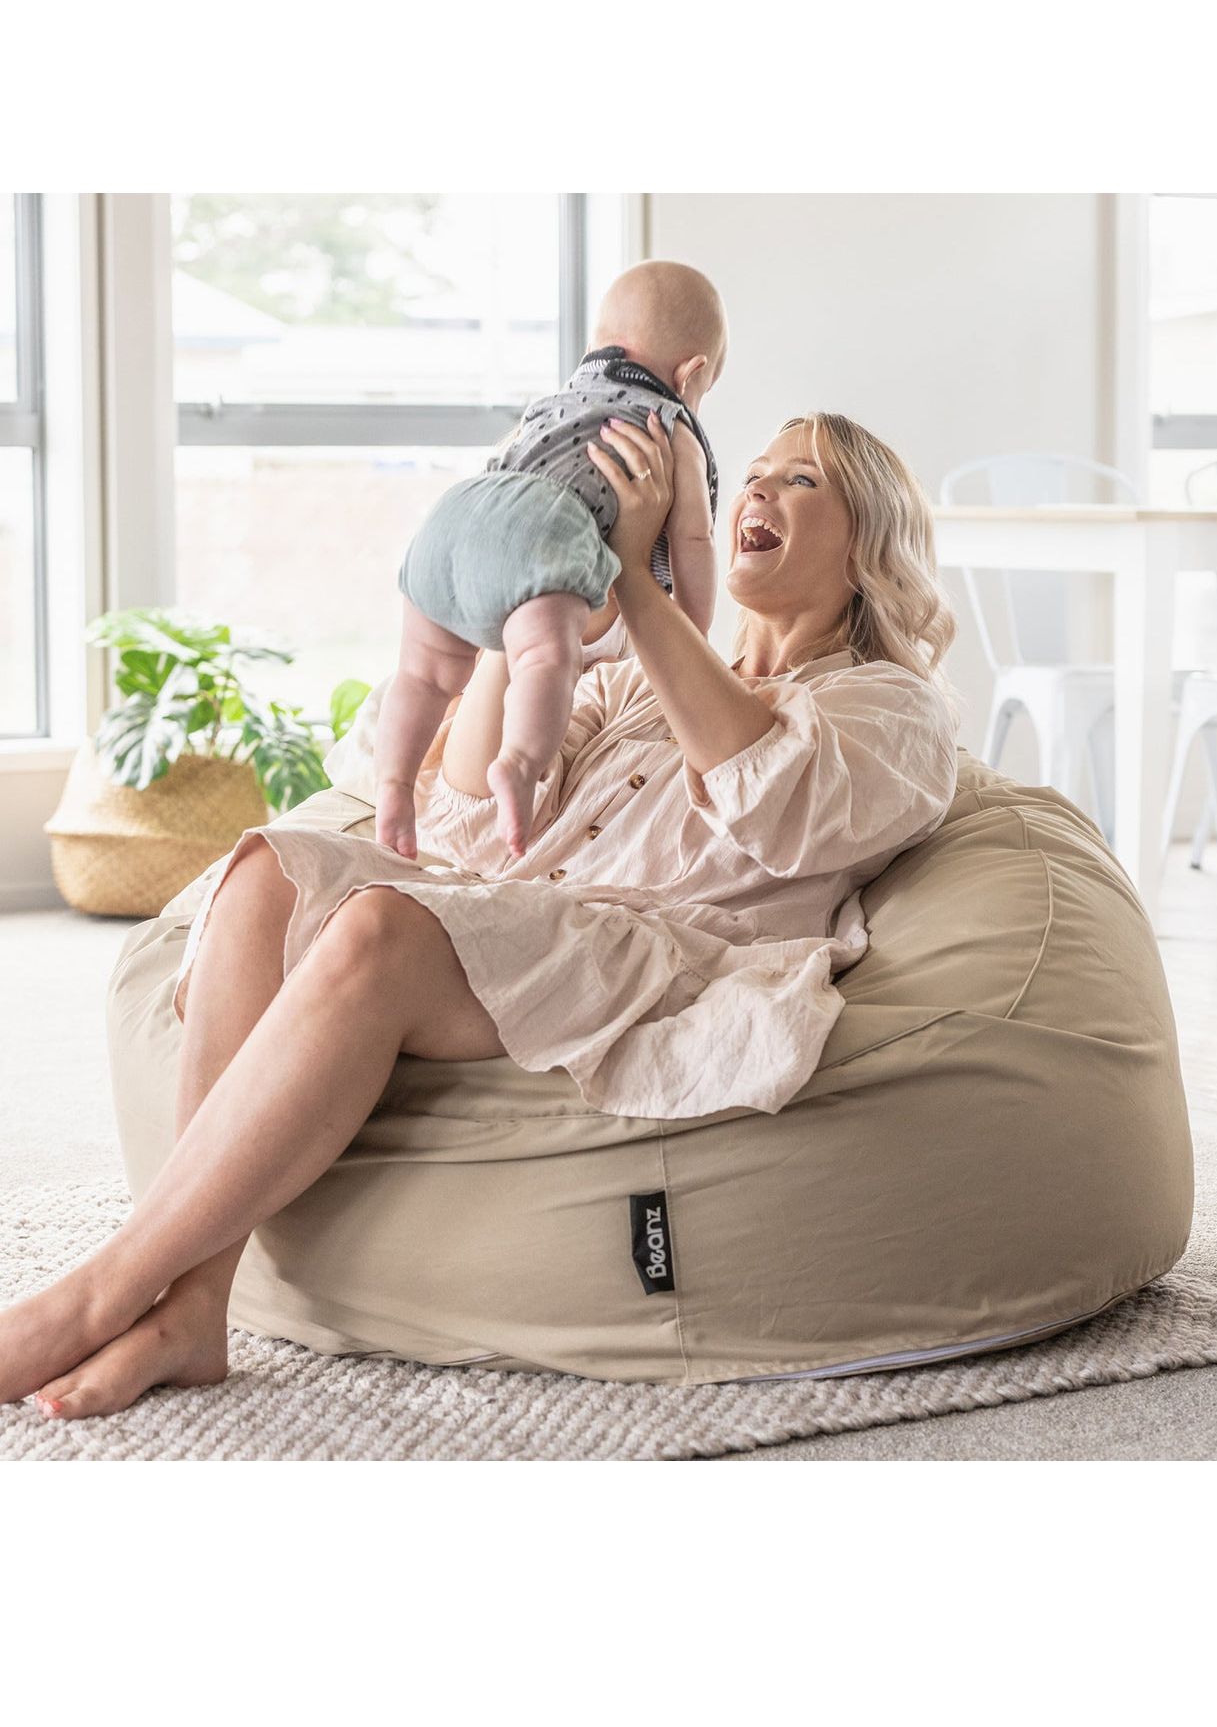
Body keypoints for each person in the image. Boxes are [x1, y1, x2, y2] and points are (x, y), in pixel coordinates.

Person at [0, 408, 959, 1423]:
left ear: (868, 545)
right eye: (755, 473)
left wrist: (639, 581)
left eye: (802, 481)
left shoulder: (890, 707)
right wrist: (530, 574)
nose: (758, 489)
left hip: (656, 955)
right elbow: (471, 802)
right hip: (517, 913)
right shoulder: (631, 683)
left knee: (378, 929)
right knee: (266, 870)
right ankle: (194, 1310)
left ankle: (100, 1291)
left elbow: (768, 792)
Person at [377, 260, 726, 861]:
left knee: (422, 676)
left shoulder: (551, 405)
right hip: (541, 533)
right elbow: (695, 540)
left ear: (597, 348)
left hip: (455, 516)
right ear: (691, 373)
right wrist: (692, 626)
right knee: (544, 659)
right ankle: (519, 761)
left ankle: (393, 785)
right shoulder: (671, 425)